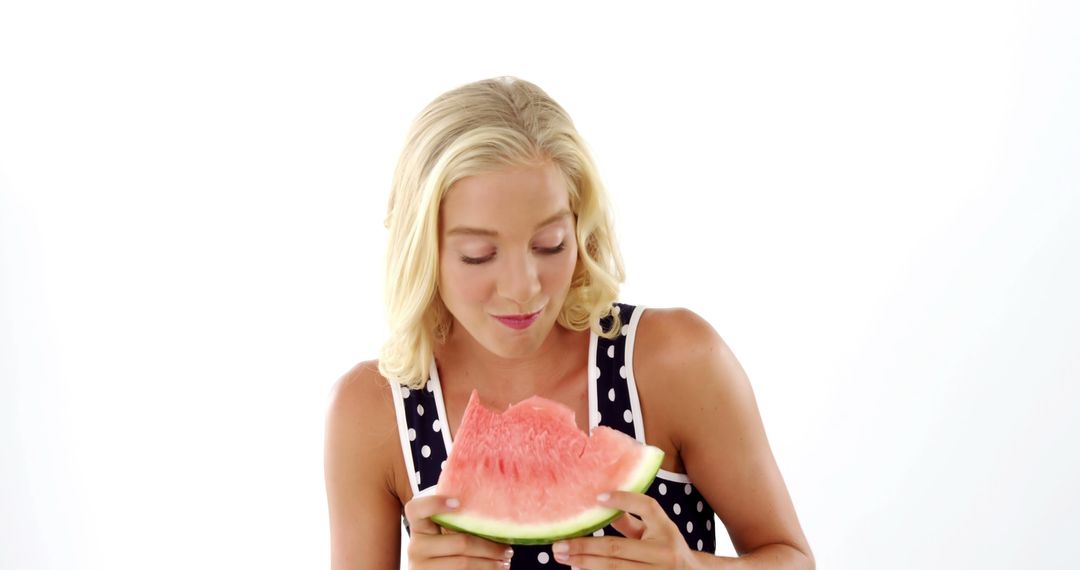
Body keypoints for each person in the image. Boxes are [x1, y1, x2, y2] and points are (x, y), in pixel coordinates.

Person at [324, 76, 814, 569]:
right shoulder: (372, 413)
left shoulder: (673, 361)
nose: (523, 287)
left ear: (580, 227)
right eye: (479, 255)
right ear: (421, 248)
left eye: (549, 245)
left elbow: (794, 559)